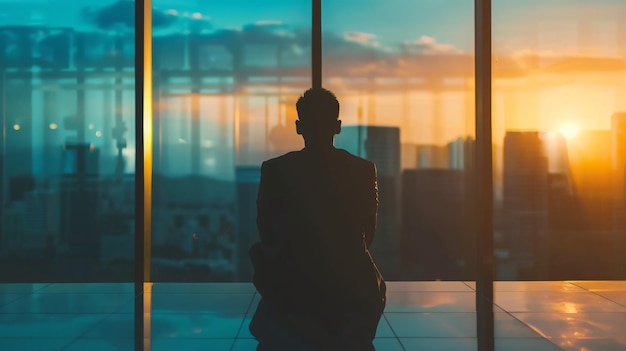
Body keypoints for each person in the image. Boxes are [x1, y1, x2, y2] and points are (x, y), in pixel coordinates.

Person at [249, 88, 386, 350]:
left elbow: (266, 231)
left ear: (299, 127)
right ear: (337, 126)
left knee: (259, 253)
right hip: (350, 279)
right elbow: (369, 232)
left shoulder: (275, 169)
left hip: (294, 278)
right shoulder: (363, 170)